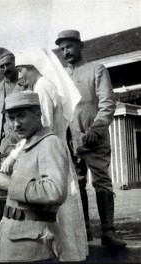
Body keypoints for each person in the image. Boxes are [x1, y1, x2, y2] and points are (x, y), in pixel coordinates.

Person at [0, 47, 88, 261]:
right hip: (48, 150)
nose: (19, 75)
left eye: (21, 70)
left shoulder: (42, 87)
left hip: (44, 153)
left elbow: (42, 126)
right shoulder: (47, 85)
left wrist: (13, 156)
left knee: (48, 213)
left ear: (33, 67)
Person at [56, 29, 126, 247]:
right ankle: (84, 231)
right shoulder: (60, 76)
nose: (65, 51)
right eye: (62, 48)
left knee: (101, 181)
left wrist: (96, 129)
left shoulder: (97, 69)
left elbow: (107, 102)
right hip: (71, 140)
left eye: (69, 46)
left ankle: (108, 231)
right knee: (77, 184)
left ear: (80, 45)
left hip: (94, 137)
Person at [0, 91, 70, 262]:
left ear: (38, 115)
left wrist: (11, 185)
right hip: (14, 238)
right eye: (11, 118)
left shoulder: (49, 143)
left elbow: (55, 190)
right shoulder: (27, 144)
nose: (15, 124)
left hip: (34, 244)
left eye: (21, 116)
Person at [0, 46, 20, 156]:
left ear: (14, 61)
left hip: (24, 141)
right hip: (5, 145)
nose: (5, 69)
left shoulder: (25, 83)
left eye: (8, 64)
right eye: (2, 66)